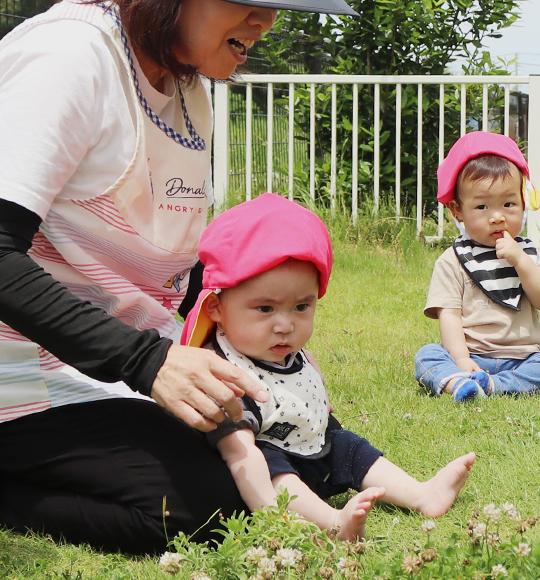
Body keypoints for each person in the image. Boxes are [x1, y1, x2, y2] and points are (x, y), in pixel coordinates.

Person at [0, 0, 358, 554]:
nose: (266, 19)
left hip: (108, 365)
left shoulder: (186, 83)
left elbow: (173, 266)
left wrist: (228, 361)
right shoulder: (71, 61)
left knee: (285, 453)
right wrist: (148, 364)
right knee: (212, 502)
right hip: (1, 370)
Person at [190, 194, 477, 541]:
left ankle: (421, 495)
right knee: (271, 467)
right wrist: (270, 514)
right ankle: (331, 522)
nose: (285, 324)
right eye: (265, 309)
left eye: (300, 307)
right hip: (270, 472)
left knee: (352, 448)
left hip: (316, 450)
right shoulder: (223, 373)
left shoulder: (280, 350)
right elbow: (240, 455)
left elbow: (308, 388)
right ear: (217, 308)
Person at [414, 132, 540, 401]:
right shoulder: (453, 260)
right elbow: (449, 316)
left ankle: (492, 385)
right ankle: (459, 381)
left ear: (524, 202)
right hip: (471, 356)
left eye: (509, 204)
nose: (497, 216)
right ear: (457, 210)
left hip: (522, 358)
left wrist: (521, 261)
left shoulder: (528, 253)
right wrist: (462, 359)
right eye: (482, 206)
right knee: (427, 355)